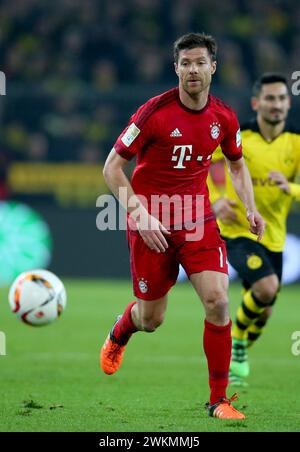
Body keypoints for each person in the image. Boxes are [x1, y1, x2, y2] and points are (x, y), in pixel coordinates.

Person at [100, 32, 265, 420]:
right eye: (185, 63)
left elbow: (237, 163)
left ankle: (218, 400)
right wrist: (140, 215)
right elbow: (112, 168)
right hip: (151, 222)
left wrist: (250, 206)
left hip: (197, 219)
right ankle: (121, 331)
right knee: (151, 319)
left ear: (213, 67)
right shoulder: (153, 112)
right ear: (175, 68)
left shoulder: (224, 117)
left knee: (219, 300)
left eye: (200, 62)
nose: (193, 69)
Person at [209, 73, 300, 385]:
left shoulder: (296, 141)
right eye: (270, 99)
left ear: (288, 104)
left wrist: (289, 187)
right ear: (256, 102)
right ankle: (235, 340)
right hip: (236, 229)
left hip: (273, 236)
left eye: (281, 99)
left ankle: (239, 351)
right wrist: (215, 200)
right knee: (267, 287)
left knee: (264, 312)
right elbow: (203, 163)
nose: (276, 105)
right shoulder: (239, 135)